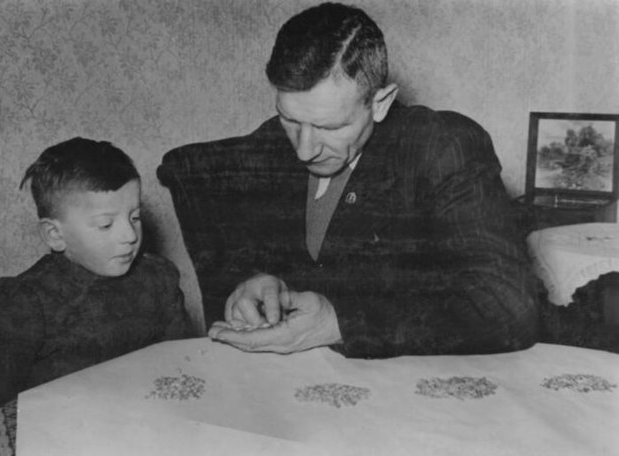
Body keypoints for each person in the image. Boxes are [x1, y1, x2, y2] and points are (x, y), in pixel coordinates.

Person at [177, 2, 538, 357]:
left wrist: (340, 323)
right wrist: (254, 285)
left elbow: (507, 305)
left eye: (329, 126)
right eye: (289, 119)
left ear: (380, 103)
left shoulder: (441, 147)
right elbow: (244, 259)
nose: (304, 150)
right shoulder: (268, 145)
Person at [0, 138, 195, 421]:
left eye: (135, 217)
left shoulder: (159, 278)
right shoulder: (21, 301)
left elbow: (183, 367)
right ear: (55, 235)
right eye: (106, 224)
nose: (130, 236)